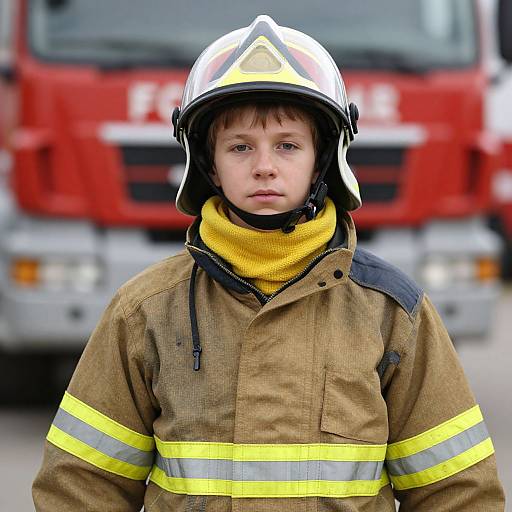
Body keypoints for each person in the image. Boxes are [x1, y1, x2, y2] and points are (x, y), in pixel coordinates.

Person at [33, 15, 505, 511]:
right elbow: (80, 487)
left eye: (287, 145)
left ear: (323, 159)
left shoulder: (391, 312)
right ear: (208, 164)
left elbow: (457, 493)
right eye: (240, 147)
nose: (264, 165)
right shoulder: (146, 311)